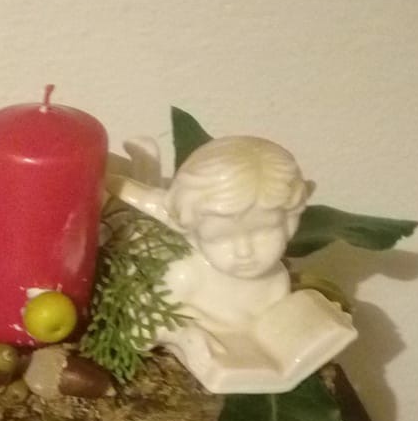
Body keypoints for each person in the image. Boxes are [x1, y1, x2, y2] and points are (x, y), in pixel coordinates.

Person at [116, 135, 355, 393]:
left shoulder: (275, 278)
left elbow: (272, 329)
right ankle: (145, 165)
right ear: (193, 234)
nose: (244, 252)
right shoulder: (185, 274)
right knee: (138, 225)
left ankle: (146, 167)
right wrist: (183, 336)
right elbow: (137, 329)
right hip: (145, 251)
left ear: (289, 222)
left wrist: (314, 324)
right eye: (220, 237)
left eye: (263, 231)